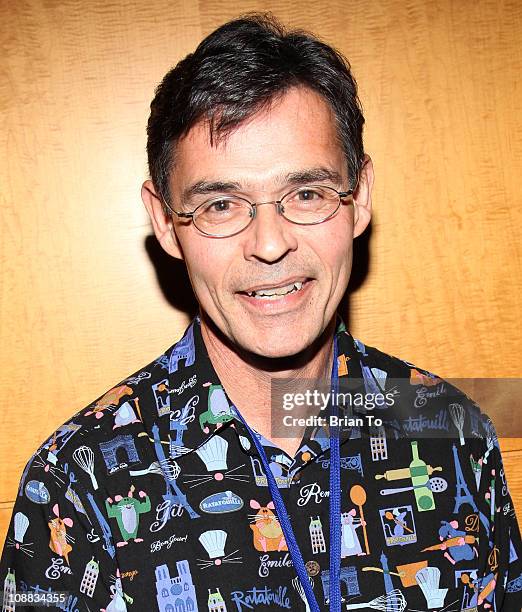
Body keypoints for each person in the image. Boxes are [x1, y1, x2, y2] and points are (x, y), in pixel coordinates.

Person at [1, 14, 521, 612]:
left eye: (306, 194)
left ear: (361, 198)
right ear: (166, 221)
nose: (270, 244)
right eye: (221, 204)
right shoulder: (77, 482)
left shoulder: (452, 431)